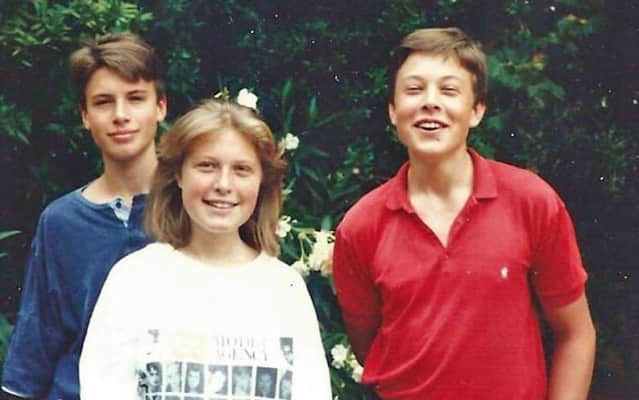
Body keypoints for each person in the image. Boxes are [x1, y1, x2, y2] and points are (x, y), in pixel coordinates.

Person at [332, 27, 596, 399]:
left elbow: (576, 334)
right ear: (392, 110)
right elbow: (371, 347)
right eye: (414, 89)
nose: (430, 102)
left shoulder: (531, 201)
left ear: (476, 110)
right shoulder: (361, 227)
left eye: (449, 90)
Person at [78, 97, 332, 400]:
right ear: (178, 174)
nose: (223, 184)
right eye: (207, 166)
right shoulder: (133, 279)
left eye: (241, 169)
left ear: (261, 181)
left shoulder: (285, 289)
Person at [1, 32, 167, 400]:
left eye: (135, 98)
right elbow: (35, 345)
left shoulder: (195, 208)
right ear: (85, 116)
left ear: (160, 106)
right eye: (104, 102)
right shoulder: (62, 222)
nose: (121, 115)